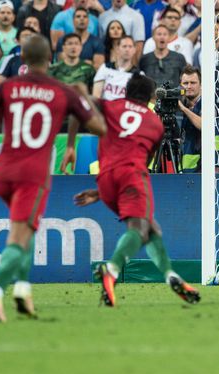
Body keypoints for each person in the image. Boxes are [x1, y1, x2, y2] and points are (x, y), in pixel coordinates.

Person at [0, 34, 107, 322]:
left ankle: (23, 290)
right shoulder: (63, 91)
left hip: (2, 172)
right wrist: (83, 97)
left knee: (26, 228)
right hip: (32, 175)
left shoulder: (8, 86)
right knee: (19, 235)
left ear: (22, 59)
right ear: (51, 59)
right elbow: (99, 128)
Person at [69, 73, 201, 306]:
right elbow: (147, 159)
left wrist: (70, 145)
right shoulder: (154, 123)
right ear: (150, 96)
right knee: (139, 228)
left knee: (151, 228)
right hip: (131, 176)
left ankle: (170, 275)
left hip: (105, 179)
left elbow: (78, 102)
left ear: (126, 91)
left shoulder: (111, 106)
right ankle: (111, 270)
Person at [92, 35, 138, 100]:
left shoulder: (138, 75)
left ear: (134, 50)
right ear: (117, 49)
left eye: (130, 47)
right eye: (124, 46)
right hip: (105, 105)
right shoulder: (105, 68)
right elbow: (96, 96)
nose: (127, 49)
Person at [178, 65, 201, 172]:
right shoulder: (184, 104)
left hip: (206, 165)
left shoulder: (207, 102)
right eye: (185, 83)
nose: (189, 86)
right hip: (188, 166)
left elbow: (204, 125)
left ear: (201, 84)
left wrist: (183, 109)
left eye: (193, 83)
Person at [0, 0, 17, 71]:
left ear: (13, 17)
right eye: (2, 12)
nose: (5, 15)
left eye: (9, 13)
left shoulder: (19, 34)